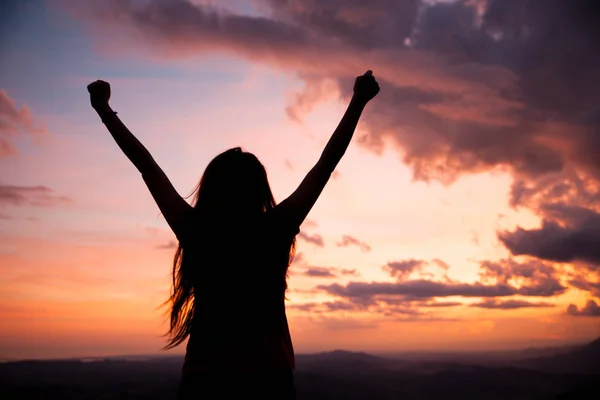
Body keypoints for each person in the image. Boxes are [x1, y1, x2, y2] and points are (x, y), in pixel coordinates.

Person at [87, 70, 380, 399]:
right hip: (270, 378)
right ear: (258, 189)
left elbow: (147, 167)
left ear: (211, 188)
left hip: (205, 377)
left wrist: (104, 110)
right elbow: (325, 165)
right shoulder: (275, 229)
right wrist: (358, 101)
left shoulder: (195, 229)